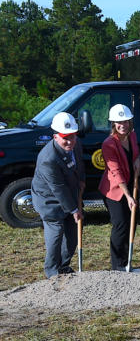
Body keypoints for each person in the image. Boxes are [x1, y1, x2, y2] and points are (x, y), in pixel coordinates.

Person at [33, 112, 85, 278]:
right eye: (65, 138)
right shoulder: (48, 159)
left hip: (69, 194)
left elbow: (79, 165)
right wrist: (74, 209)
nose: (70, 141)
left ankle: (63, 266)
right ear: (55, 137)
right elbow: (58, 188)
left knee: (72, 235)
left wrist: (82, 181)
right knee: (56, 234)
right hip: (48, 199)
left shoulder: (76, 144)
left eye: (73, 136)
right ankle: (52, 271)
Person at [101, 104, 140, 271]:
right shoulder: (108, 144)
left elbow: (136, 152)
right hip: (115, 191)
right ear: (113, 123)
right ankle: (117, 265)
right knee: (120, 225)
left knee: (132, 224)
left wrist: (138, 159)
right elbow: (116, 172)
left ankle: (127, 261)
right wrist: (128, 196)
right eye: (119, 122)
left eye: (125, 121)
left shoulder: (132, 136)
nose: (122, 125)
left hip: (132, 185)